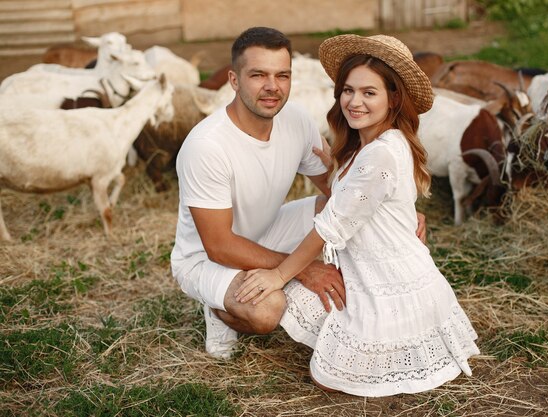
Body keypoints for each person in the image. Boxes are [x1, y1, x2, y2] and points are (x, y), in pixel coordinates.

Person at [236, 34, 480, 397]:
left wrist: (280, 273)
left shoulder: (379, 153)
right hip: (367, 268)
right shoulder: (366, 145)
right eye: (348, 90)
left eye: (369, 93)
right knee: (296, 314)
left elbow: (330, 226)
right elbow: (360, 200)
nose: (354, 101)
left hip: (388, 282)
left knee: (328, 377)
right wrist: (334, 168)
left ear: (394, 98)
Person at [171, 27, 426, 360]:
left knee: (330, 210)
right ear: (233, 80)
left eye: (282, 75)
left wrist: (400, 211)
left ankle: (367, 304)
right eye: (258, 75)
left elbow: (339, 191)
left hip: (269, 230)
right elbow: (219, 245)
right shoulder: (207, 146)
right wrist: (303, 270)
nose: (272, 87)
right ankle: (217, 309)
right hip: (206, 257)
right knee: (267, 310)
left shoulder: (296, 120)